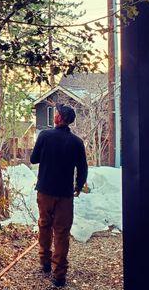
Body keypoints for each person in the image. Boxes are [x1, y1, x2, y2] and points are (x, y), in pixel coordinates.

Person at [30, 103, 88, 287]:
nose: (54, 115)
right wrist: (78, 186)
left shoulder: (45, 136)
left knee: (44, 225)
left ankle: (45, 262)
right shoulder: (77, 142)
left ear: (59, 118)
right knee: (62, 233)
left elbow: (34, 159)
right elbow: (83, 168)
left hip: (45, 191)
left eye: (56, 113)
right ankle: (59, 275)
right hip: (65, 195)